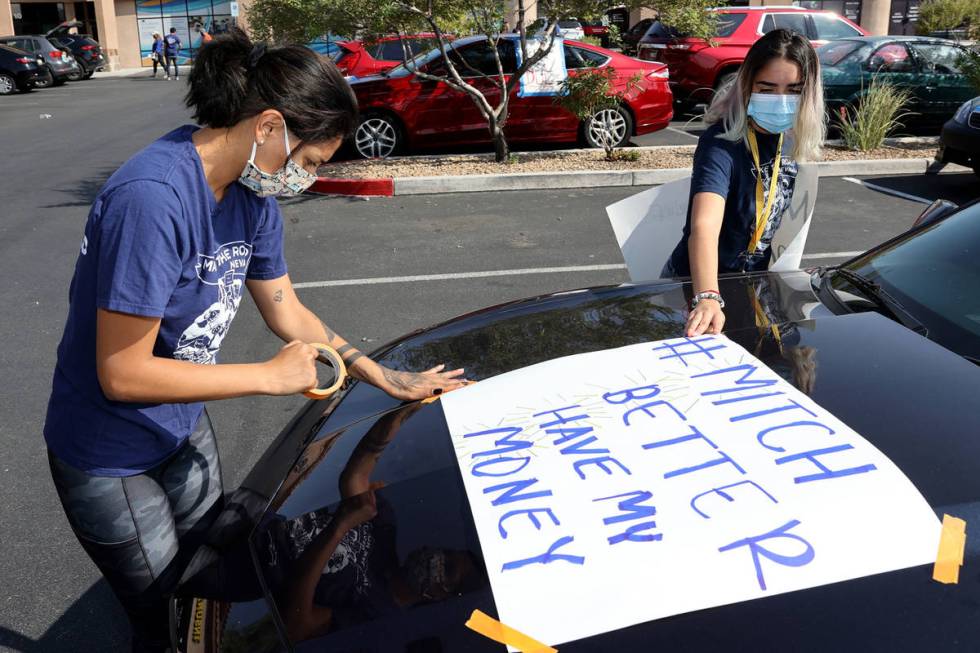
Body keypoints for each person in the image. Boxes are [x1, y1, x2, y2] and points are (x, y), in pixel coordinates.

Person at [43, 27, 466, 653]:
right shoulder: (152, 200)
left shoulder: (250, 195)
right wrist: (269, 376)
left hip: (181, 422)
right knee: (164, 618)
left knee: (212, 582)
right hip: (110, 452)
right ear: (270, 126)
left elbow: (285, 306)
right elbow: (122, 373)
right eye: (310, 163)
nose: (306, 180)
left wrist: (385, 375)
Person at [662, 28, 825, 337]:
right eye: (767, 88)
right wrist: (707, 296)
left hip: (751, 288)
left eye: (793, 90)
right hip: (698, 290)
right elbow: (704, 226)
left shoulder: (790, 141)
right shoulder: (721, 143)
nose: (781, 100)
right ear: (748, 86)